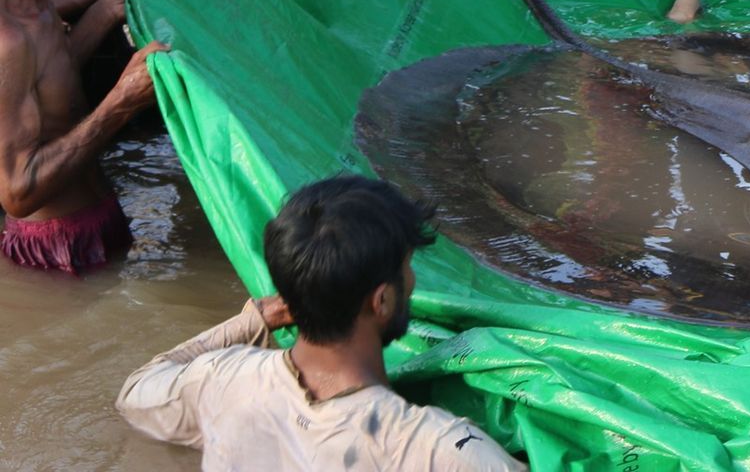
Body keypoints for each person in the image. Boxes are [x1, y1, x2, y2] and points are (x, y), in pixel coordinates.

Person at [117, 174, 523, 468]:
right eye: (408, 268)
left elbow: (135, 391)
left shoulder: (220, 380)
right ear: (381, 300)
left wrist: (259, 318)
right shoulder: (439, 450)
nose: (414, 283)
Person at [0, 0, 167, 274]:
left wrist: (104, 8)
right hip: (54, 253)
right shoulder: (6, 39)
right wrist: (118, 104)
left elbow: (48, 80)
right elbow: (17, 191)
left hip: (91, 225)